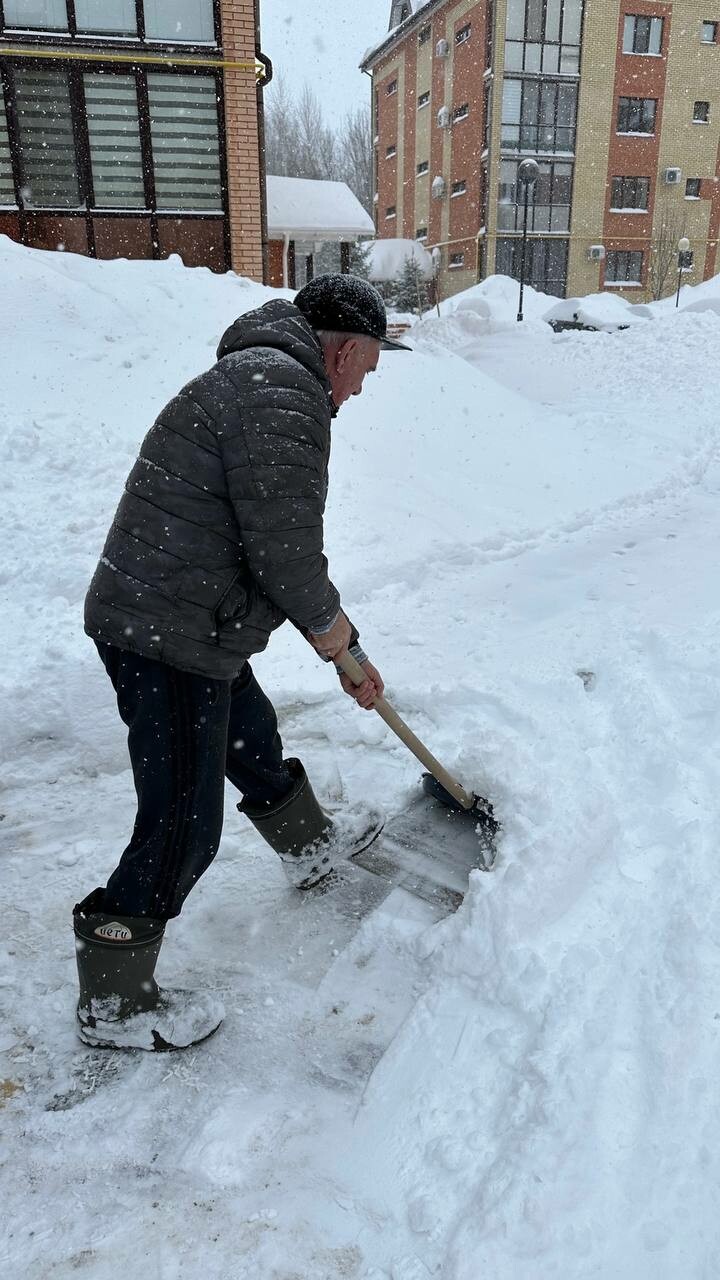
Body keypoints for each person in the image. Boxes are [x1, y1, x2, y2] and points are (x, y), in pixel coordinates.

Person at [73, 274, 410, 1052]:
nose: (361, 389)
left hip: (181, 619)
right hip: (168, 631)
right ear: (346, 351)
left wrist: (339, 645)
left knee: (246, 734)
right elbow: (285, 556)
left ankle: (309, 844)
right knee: (184, 818)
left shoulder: (262, 377)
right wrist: (342, 647)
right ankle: (116, 999)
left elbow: (271, 549)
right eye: (368, 370)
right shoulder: (282, 397)